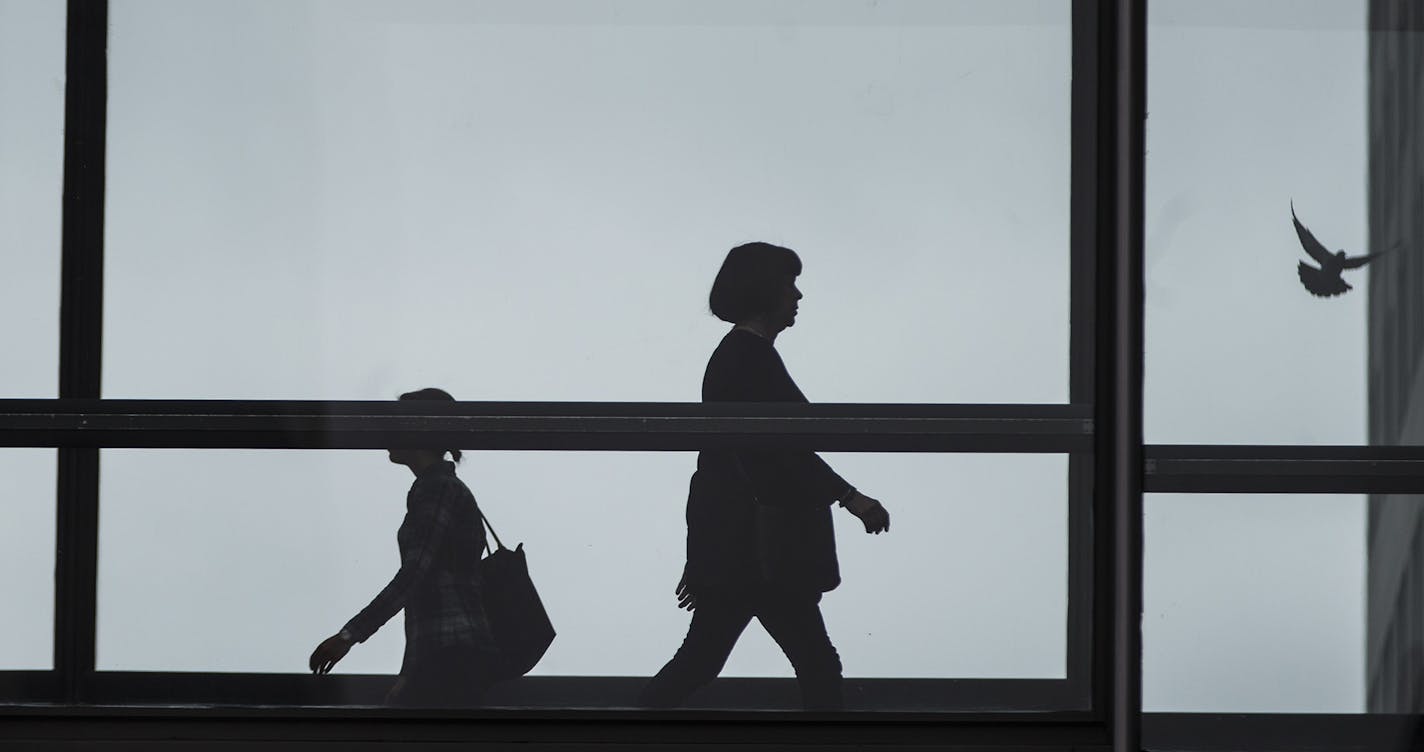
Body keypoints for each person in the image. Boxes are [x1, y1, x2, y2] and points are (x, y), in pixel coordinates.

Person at [639, 242, 892, 711]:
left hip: (744, 548)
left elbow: (746, 459)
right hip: (759, 549)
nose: (797, 296)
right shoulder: (747, 357)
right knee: (813, 663)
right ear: (765, 290)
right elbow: (781, 451)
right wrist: (851, 497)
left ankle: (622, 729)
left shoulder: (740, 356)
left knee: (707, 659)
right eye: (788, 284)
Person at [308, 388, 500, 707]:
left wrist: (348, 637)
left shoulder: (436, 488)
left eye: (396, 424)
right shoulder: (439, 488)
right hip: (452, 652)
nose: (388, 433)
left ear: (420, 430)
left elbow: (414, 575)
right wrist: (410, 673)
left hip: (452, 654)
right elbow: (429, 594)